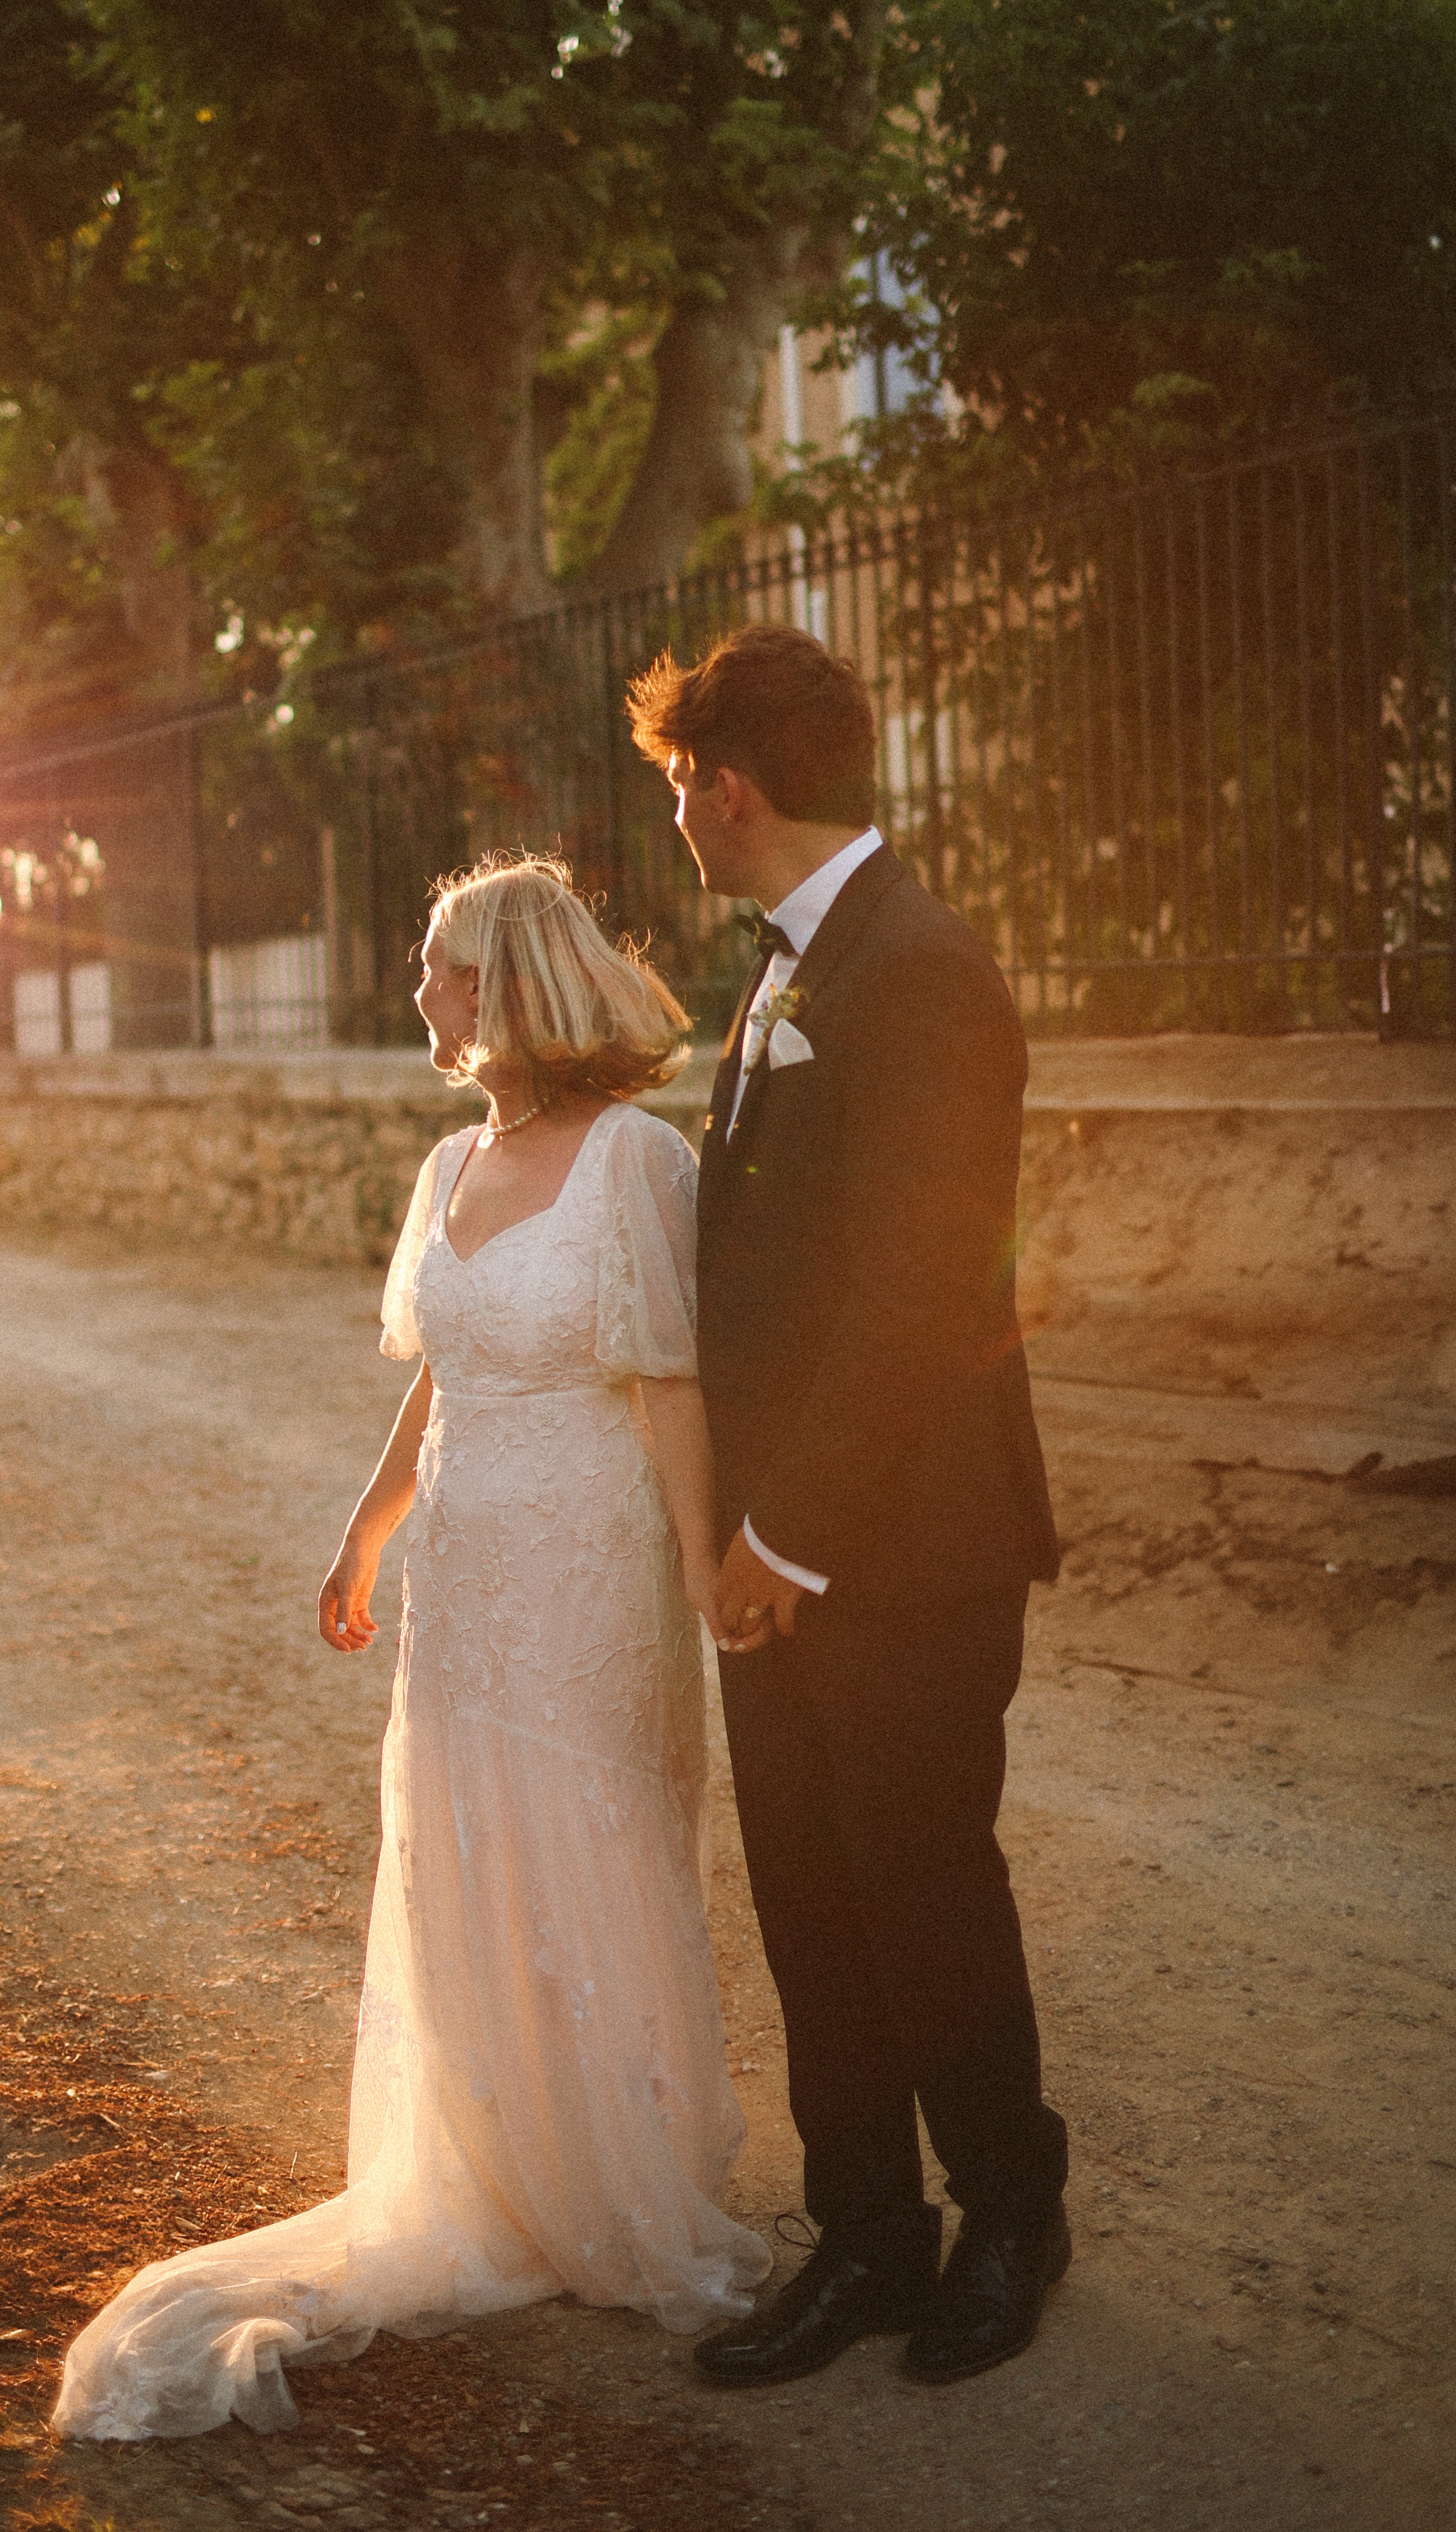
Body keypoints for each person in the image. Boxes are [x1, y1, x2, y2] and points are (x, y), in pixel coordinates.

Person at [52, 851, 767, 2441]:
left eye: (444, 963)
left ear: (513, 981)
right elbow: (440, 1368)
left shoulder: (638, 1161)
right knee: (461, 1834)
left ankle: (614, 2163)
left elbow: (669, 1380)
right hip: (462, 1560)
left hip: (586, 1554)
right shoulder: (451, 1165)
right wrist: (368, 1525)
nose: (423, 989)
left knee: (589, 1826)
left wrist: (712, 1561)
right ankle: (497, 2145)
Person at [627, 625, 1069, 2393]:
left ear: (725, 790)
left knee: (918, 1886)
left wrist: (783, 1534)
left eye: (675, 790)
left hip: (908, 1547)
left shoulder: (920, 967)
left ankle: (1009, 2218)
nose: (672, 820)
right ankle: (866, 2236)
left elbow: (918, 1294)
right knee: (809, 1894)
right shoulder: (781, 970)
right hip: (778, 1543)